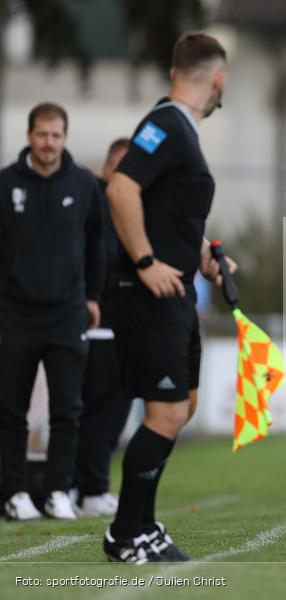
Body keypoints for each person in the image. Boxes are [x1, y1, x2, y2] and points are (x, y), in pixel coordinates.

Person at [103, 32, 234, 564]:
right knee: (166, 411)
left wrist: (201, 253)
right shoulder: (165, 124)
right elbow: (121, 187)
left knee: (181, 409)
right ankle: (124, 533)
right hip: (151, 293)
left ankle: (142, 525)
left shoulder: (182, 130)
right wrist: (145, 261)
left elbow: (164, 209)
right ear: (218, 78)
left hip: (178, 292)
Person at [0, 102, 104, 521]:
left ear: (65, 137)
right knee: (11, 410)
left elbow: (97, 244)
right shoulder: (6, 184)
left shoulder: (84, 184)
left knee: (67, 410)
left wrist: (92, 297)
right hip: (15, 315)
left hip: (67, 314)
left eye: (56, 135)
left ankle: (59, 490)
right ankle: (14, 492)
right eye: (41, 135)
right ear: (29, 136)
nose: (48, 143)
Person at [71, 138, 132, 516]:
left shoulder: (135, 208)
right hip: (96, 324)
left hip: (126, 325)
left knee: (117, 410)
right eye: (121, 166)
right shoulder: (92, 202)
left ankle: (93, 484)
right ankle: (87, 487)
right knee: (97, 409)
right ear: (107, 168)